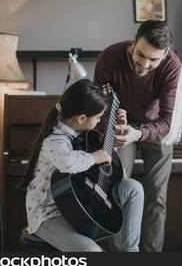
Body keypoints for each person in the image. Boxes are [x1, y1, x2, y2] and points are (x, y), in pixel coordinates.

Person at [19, 79, 144, 252]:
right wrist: (95, 157)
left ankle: (130, 252)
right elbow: (68, 162)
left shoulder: (83, 133)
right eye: (99, 118)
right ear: (82, 118)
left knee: (133, 187)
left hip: (82, 203)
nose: (100, 121)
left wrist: (113, 138)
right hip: (48, 216)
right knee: (93, 252)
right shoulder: (55, 141)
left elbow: (103, 159)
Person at [94, 20, 181, 252]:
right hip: (119, 126)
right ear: (133, 41)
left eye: (154, 59)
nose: (144, 63)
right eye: (140, 54)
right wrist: (113, 126)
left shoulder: (172, 65)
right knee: (116, 194)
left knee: (157, 197)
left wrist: (139, 134)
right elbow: (98, 108)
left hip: (156, 127)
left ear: (165, 55)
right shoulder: (108, 59)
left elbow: (168, 121)